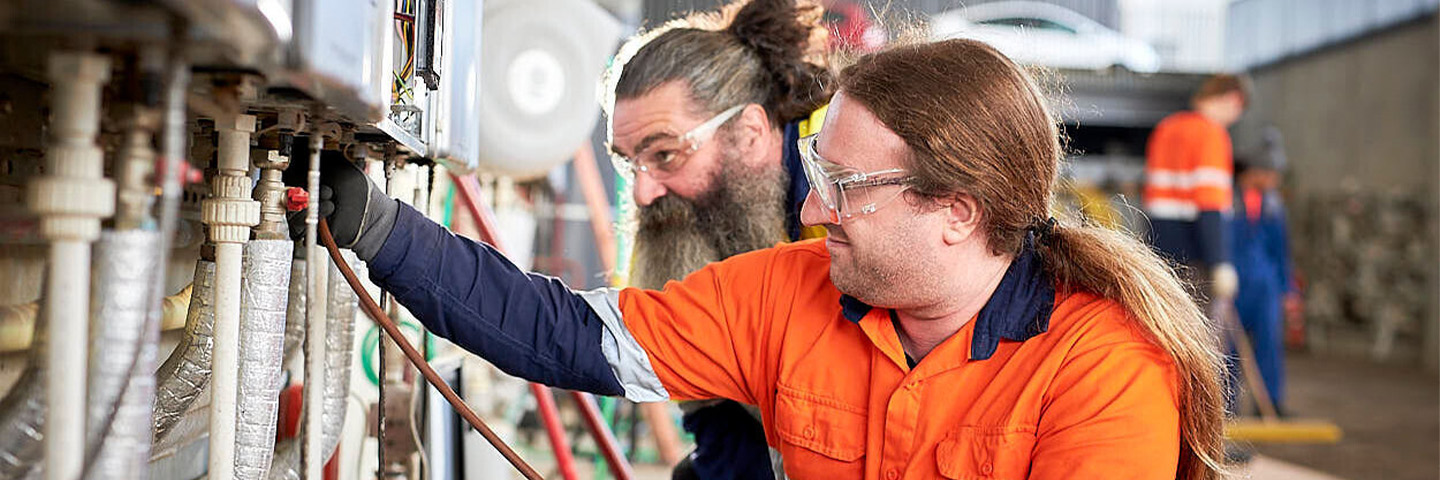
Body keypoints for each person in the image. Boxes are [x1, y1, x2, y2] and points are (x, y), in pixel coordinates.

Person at [303, 38, 1226, 479]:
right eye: (817, 173)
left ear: (957, 212)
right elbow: (567, 335)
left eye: (848, 187)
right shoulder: (793, 289)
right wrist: (385, 231)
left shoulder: (1104, 371)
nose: (814, 208)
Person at [602, 0, 834, 477]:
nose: (643, 193)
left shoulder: (840, 178)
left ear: (749, 131)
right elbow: (717, 423)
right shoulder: (696, 209)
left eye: (665, 154)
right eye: (629, 163)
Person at [1144, 74, 1251, 306]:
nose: (1233, 120)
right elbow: (1209, 203)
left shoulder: (1165, 129)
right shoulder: (1211, 134)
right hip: (1196, 259)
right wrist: (1219, 261)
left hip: (1159, 252)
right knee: (1199, 336)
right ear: (1233, 99)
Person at [1226, 127, 1293, 415]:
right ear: (1255, 171)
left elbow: (1281, 250)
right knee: (1225, 346)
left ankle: (1271, 404)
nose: (1275, 181)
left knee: (1269, 344)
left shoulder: (1274, 205)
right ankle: (1224, 407)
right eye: (1272, 174)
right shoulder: (1227, 198)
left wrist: (1287, 289)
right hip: (1232, 283)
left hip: (1265, 287)